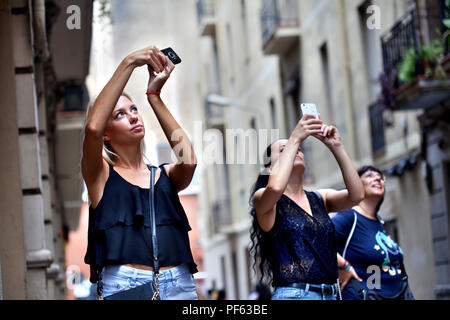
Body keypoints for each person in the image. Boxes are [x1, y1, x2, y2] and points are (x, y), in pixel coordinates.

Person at [82, 45, 198, 300]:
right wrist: (130, 62)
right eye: (120, 115)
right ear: (106, 133)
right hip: (127, 287)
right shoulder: (100, 176)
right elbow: (92, 129)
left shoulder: (165, 176)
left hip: (180, 283)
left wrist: (154, 96)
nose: (134, 117)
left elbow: (188, 160)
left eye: (134, 110)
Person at [249, 114, 364, 300]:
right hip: (295, 295)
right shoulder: (263, 198)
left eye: (298, 148)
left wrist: (336, 146)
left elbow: (357, 195)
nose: (296, 151)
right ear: (270, 168)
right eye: (285, 150)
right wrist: (295, 137)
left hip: (331, 294)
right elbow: (276, 187)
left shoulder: (320, 198)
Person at [332, 165, 415, 300]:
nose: (378, 178)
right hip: (363, 295)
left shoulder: (379, 222)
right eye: (369, 175)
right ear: (356, 184)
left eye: (380, 177)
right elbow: (319, 241)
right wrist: (343, 266)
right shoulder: (349, 217)